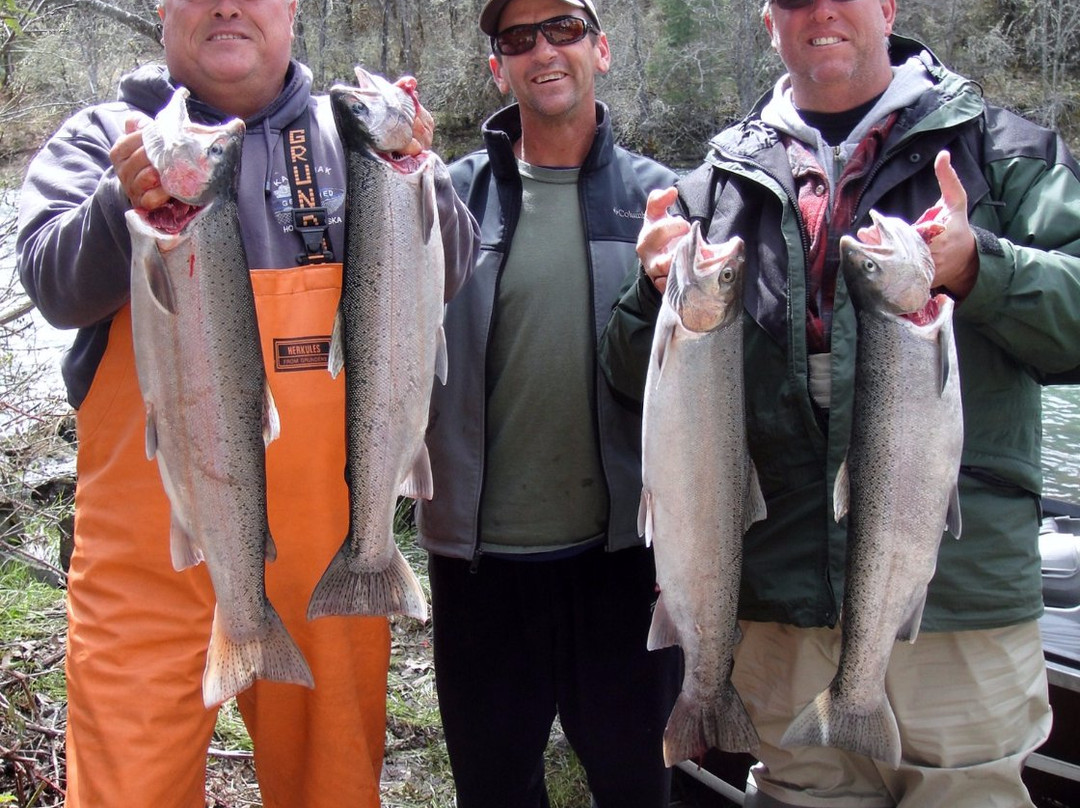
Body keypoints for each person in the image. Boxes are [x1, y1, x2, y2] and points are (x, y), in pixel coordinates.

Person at [599, 1, 1080, 806]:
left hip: (955, 605)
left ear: (888, 6)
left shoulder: (1005, 151)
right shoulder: (712, 186)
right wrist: (655, 298)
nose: (820, 9)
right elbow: (622, 377)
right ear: (767, 21)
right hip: (778, 606)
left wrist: (980, 267)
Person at [15, 0, 479, 804]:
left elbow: (452, 273)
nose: (229, 4)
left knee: (333, 788)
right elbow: (52, 286)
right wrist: (114, 207)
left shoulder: (352, 137)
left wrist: (421, 178)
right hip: (147, 566)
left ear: (291, 8)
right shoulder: (99, 136)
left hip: (328, 563)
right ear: (163, 8)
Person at [415, 0, 681, 806]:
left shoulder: (663, 201)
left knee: (638, 789)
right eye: (518, 39)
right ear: (499, 66)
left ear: (600, 48)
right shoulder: (443, 199)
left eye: (563, 29)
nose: (544, 51)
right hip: (480, 569)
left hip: (624, 567)